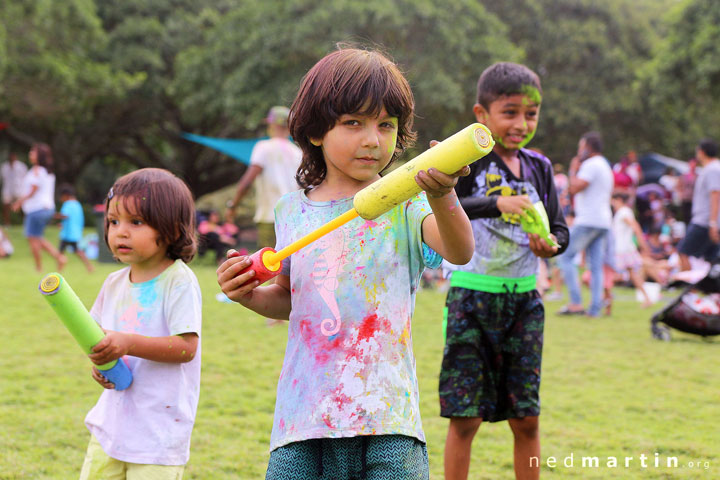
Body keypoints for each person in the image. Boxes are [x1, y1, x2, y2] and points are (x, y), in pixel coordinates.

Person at [217, 47, 475, 480]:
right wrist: (247, 295)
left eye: (385, 125)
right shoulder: (290, 212)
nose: (372, 139)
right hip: (305, 417)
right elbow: (289, 297)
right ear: (316, 131)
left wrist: (442, 193)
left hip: (387, 415)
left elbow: (460, 251)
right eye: (353, 123)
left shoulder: (406, 203)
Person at [438, 62, 569, 480]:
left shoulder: (540, 167)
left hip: (525, 303)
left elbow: (561, 228)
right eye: (510, 112)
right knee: (466, 419)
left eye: (531, 114)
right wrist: (497, 203)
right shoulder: (466, 161)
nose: (521, 123)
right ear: (482, 115)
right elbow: (441, 203)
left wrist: (552, 246)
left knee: (526, 418)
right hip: (472, 299)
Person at [79, 168, 202, 480]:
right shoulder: (112, 283)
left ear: (173, 229)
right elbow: (103, 339)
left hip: (157, 435)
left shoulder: (178, 281)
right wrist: (103, 366)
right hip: (112, 427)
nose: (120, 232)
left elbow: (187, 348)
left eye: (136, 222)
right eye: (113, 221)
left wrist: (128, 342)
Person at [227, 105, 302, 249]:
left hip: (270, 216)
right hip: (293, 218)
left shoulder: (263, 147)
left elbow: (247, 182)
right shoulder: (298, 153)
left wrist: (233, 205)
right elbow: (302, 185)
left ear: (272, 125)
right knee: (288, 264)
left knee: (269, 263)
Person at [557, 132, 614, 317]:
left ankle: (575, 302)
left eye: (580, 147)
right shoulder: (605, 165)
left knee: (564, 256)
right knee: (595, 266)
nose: (579, 151)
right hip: (604, 221)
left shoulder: (590, 165)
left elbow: (574, 187)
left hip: (589, 219)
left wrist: (573, 169)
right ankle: (595, 309)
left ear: (588, 147)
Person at [11, 143, 66, 272]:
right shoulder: (48, 172)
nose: (30, 154)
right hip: (47, 208)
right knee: (37, 238)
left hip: (36, 209)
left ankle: (39, 268)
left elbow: (33, 190)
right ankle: (59, 258)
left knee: (32, 239)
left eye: (33, 152)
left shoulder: (37, 170)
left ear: (39, 155)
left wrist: (19, 202)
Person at [678, 139, 720, 270]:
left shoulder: (713, 169)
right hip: (707, 220)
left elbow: (715, 194)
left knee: (683, 251)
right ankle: (709, 289)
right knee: (711, 259)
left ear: (702, 152)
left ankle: (690, 288)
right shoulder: (709, 169)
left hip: (704, 221)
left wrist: (713, 223)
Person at [610, 192, 652, 307]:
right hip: (624, 249)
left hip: (622, 250)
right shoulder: (622, 212)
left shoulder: (624, 212)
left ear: (618, 199)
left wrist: (643, 244)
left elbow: (635, 227)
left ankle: (605, 298)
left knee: (610, 273)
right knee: (632, 274)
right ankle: (647, 298)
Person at [55, 183, 94, 272]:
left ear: (65, 196)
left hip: (68, 233)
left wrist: (53, 215)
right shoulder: (77, 204)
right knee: (77, 251)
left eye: (61, 197)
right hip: (74, 232)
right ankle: (89, 266)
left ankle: (59, 270)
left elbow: (65, 216)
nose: (61, 199)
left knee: (60, 252)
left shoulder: (68, 204)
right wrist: (62, 224)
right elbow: (73, 218)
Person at [1, 152, 28, 225]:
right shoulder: (4, 166)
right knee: (6, 206)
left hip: (19, 189)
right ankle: (7, 223)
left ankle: (25, 222)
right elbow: (3, 178)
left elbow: (25, 178)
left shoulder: (21, 166)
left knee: (23, 206)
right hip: (8, 189)